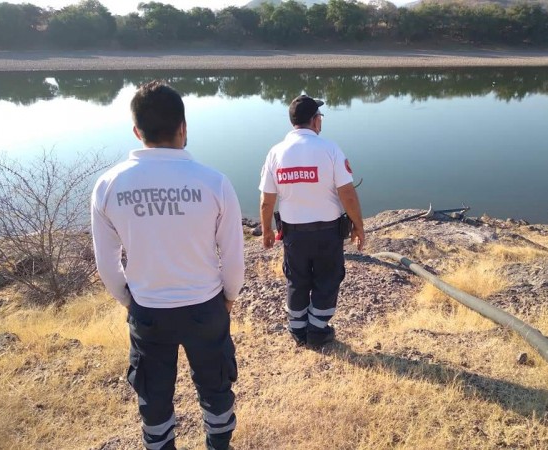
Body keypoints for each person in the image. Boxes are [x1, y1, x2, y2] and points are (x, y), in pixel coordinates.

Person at [91, 81, 244, 450]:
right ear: (183, 128)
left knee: (153, 395)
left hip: (148, 310)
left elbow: (107, 264)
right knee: (215, 386)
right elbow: (234, 255)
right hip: (205, 307)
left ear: (137, 131)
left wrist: (130, 301)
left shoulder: (109, 185)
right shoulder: (214, 182)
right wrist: (228, 298)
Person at [258, 94, 364, 348]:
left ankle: (297, 330)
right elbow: (347, 193)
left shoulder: (276, 153)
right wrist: (358, 225)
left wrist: (266, 230)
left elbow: (266, 200)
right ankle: (317, 330)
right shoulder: (330, 149)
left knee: (297, 279)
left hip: (293, 234)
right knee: (327, 279)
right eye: (320, 117)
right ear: (315, 121)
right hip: (328, 233)